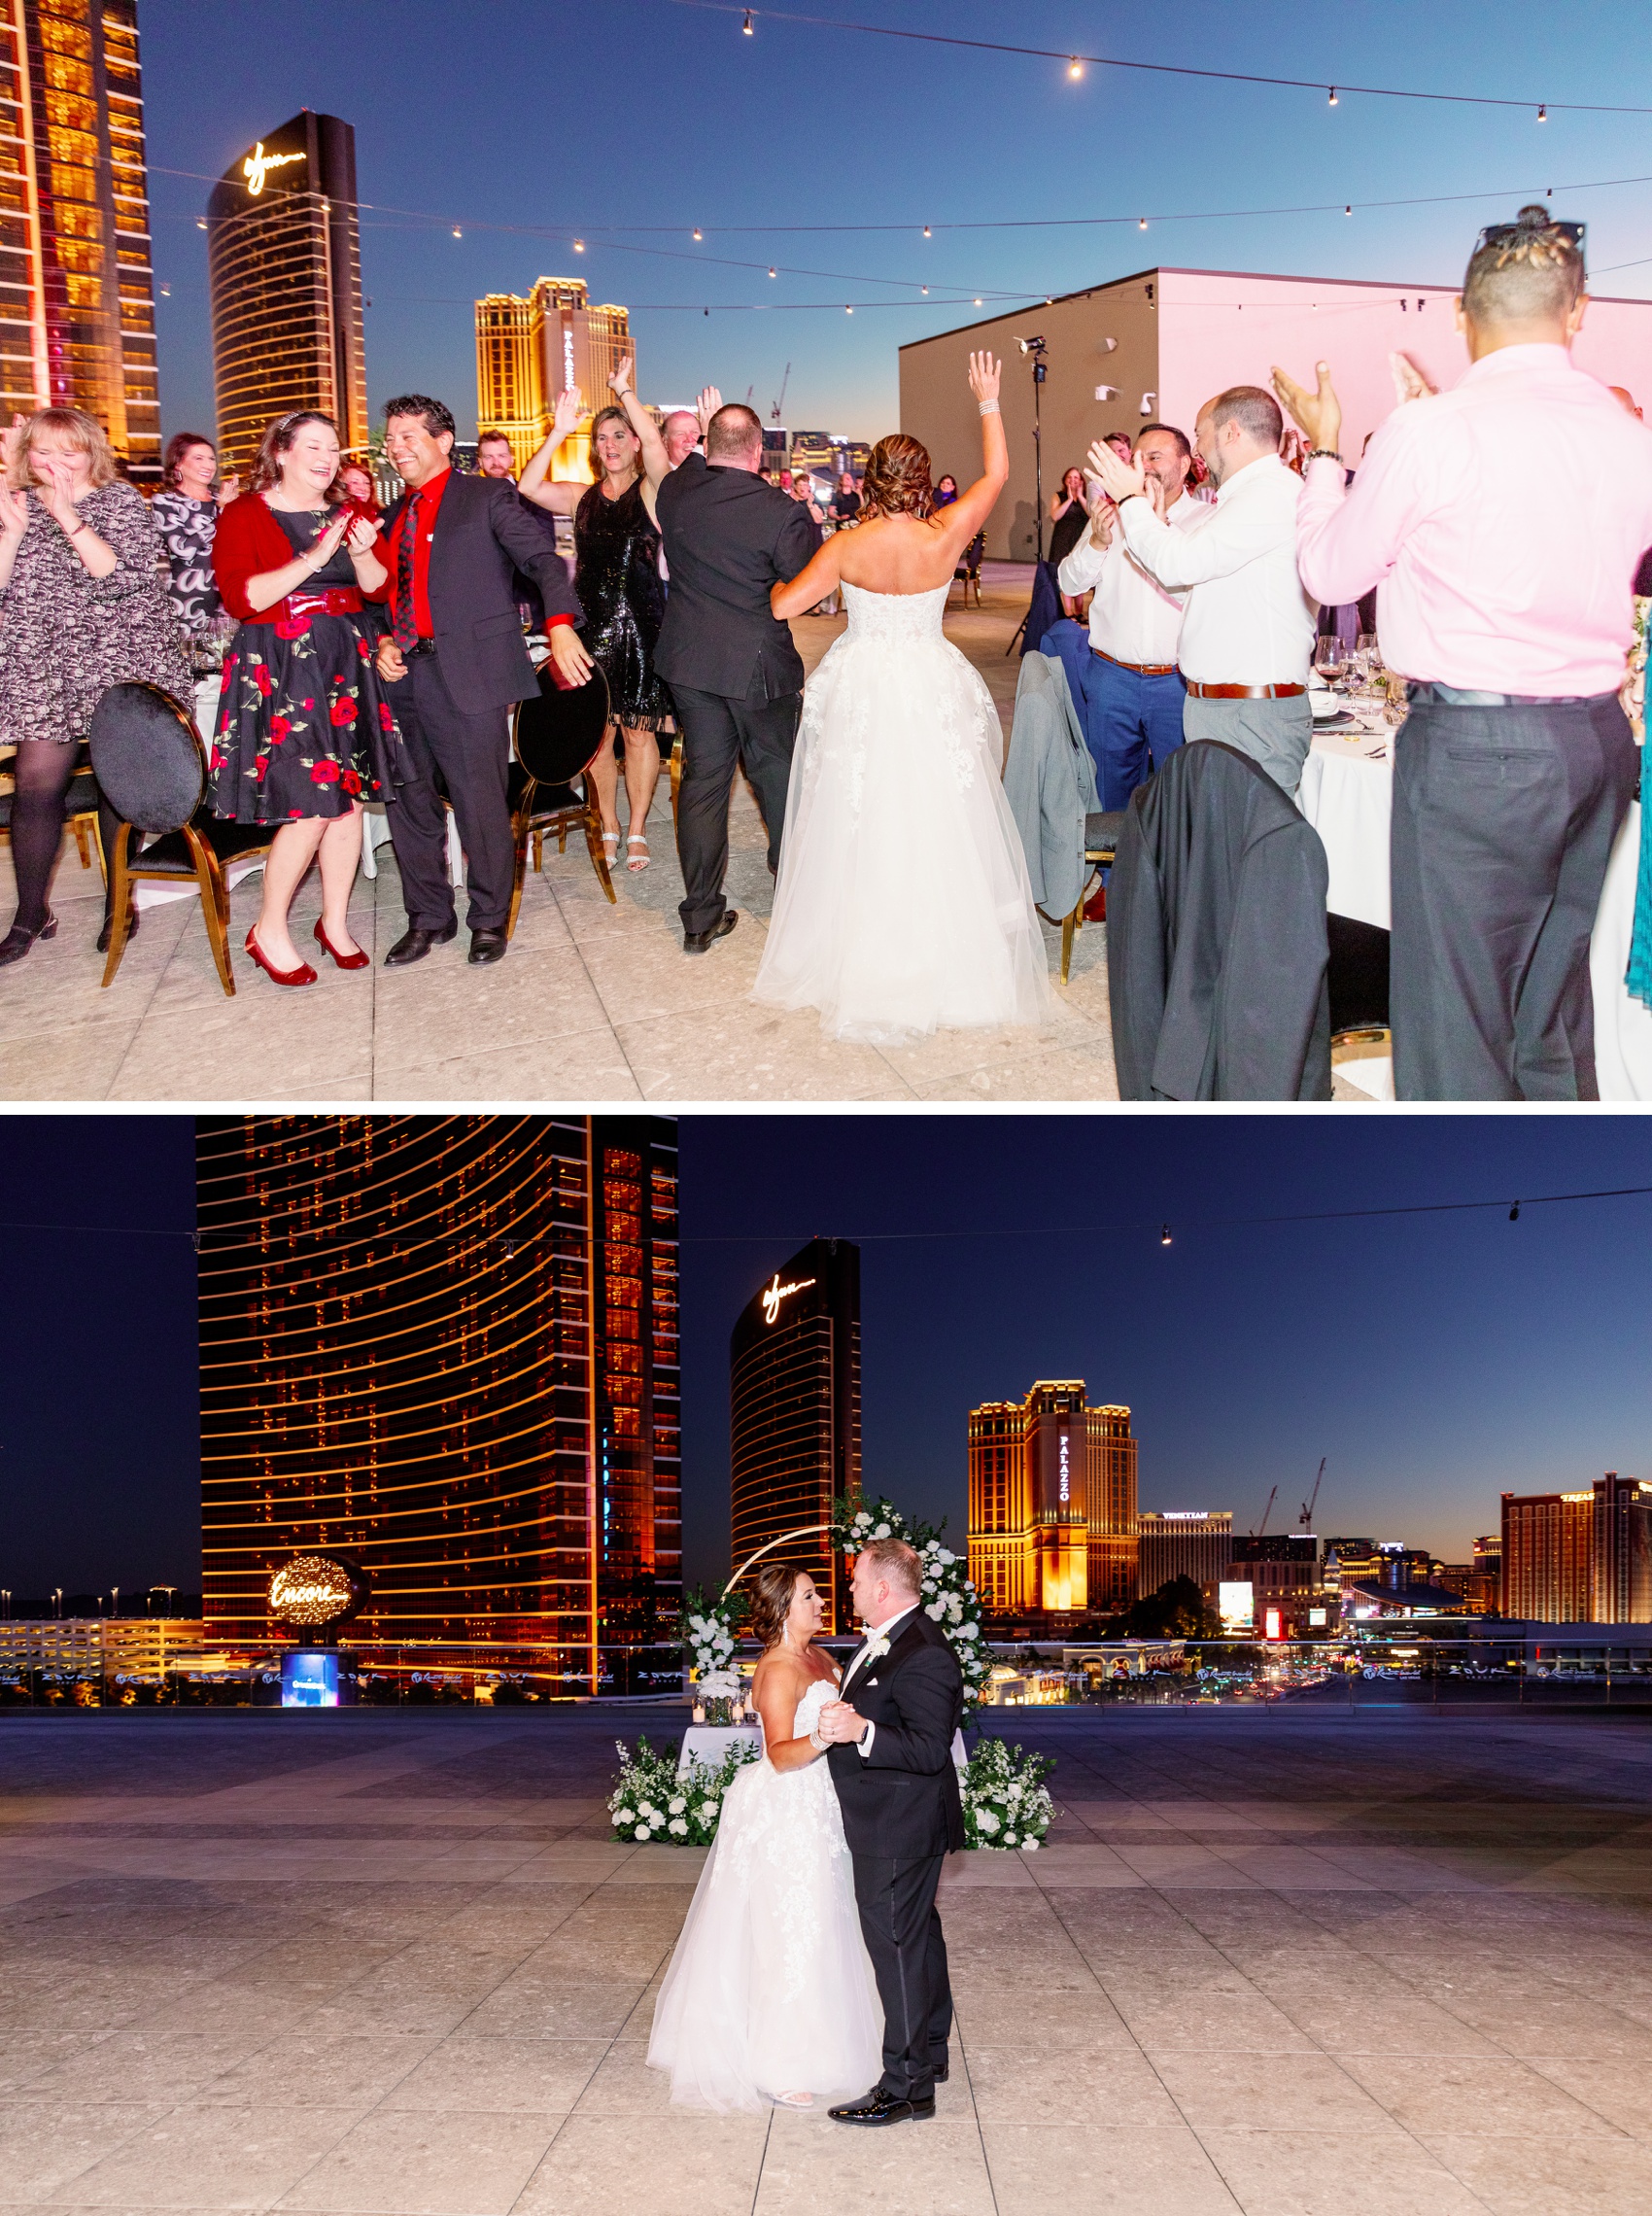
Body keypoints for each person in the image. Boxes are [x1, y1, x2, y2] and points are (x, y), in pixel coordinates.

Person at [1275, 203, 1652, 1101]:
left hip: (1477, 756)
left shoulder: (1433, 430)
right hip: (1599, 744)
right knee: (1553, 1014)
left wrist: (1327, 452)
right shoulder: (1627, 435)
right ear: (1579, 309)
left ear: (1458, 312)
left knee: (1456, 1024)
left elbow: (1331, 573)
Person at [752, 353, 1051, 1042]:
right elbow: (999, 474)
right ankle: (946, 957)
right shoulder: (945, 534)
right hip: (927, 675)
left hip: (862, 679)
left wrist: (772, 586)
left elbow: (784, 607)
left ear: (868, 482)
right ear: (920, 484)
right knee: (937, 811)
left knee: (858, 815)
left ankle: (856, 954)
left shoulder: (847, 545)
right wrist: (987, 400)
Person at [646, 1563, 881, 2112]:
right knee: (788, 1929)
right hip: (788, 1808)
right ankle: (779, 2060)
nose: (821, 1602)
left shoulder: (822, 1657)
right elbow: (779, 1754)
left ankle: (828, 2040)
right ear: (781, 1609)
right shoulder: (776, 1669)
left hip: (826, 1803)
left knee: (829, 1922)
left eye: (818, 1594)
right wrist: (824, 1738)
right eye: (808, 1596)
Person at [373, 393, 588, 967]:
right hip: (403, 678)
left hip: (469, 674)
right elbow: (381, 598)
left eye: (408, 437)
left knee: (480, 804)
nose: (395, 448)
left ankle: (490, 919)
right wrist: (385, 640)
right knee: (408, 802)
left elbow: (544, 561)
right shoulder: (391, 517)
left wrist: (561, 624)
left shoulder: (488, 496)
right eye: (390, 439)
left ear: (443, 442)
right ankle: (428, 918)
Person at [209, 411, 396, 987]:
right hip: (282, 663)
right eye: (313, 446)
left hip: (345, 658)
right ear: (282, 452)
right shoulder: (244, 512)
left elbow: (378, 590)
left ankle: (334, 923)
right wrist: (314, 558)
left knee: (348, 801)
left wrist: (363, 552)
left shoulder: (353, 514)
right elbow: (243, 597)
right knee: (311, 804)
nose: (326, 457)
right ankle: (268, 928)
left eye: (334, 449)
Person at [0, 406, 189, 963]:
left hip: (112, 657)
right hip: (44, 661)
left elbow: (121, 577)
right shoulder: (15, 499)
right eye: (42, 450)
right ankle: (31, 912)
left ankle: (118, 903)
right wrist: (11, 536)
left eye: (68, 451)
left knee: (114, 784)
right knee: (35, 785)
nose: (54, 462)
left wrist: (65, 516)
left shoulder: (120, 501)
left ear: (91, 452)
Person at [652, 394, 820, 952]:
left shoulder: (676, 492)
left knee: (703, 786)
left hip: (691, 664)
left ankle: (700, 919)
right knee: (777, 783)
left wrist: (703, 429)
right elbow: (802, 591)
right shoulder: (781, 511)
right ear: (759, 450)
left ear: (706, 443)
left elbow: (692, 462)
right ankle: (797, 900)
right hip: (757, 669)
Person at [1086, 387, 1316, 795]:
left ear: (1230, 433)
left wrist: (1129, 499)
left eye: (1200, 434)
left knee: (1246, 850)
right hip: (1232, 712)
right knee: (1220, 849)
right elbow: (1194, 592)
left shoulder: (1268, 495)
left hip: (1250, 715)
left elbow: (1180, 564)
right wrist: (1154, 529)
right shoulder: (1249, 496)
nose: (1198, 449)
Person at [815, 1536, 965, 2128]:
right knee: (918, 1937)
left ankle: (906, 2087)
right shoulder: (890, 1642)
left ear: (881, 1587)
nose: (847, 1588)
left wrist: (861, 1733)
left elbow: (931, 1749)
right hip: (891, 1818)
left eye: (854, 1579)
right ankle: (928, 2052)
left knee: (897, 1949)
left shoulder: (924, 1650)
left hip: (898, 1823)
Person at [521, 362, 673, 872]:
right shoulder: (579, 497)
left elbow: (656, 447)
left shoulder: (652, 490)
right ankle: (607, 819)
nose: (608, 445)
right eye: (600, 437)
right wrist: (558, 431)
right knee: (598, 735)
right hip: (590, 630)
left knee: (638, 732)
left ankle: (636, 829)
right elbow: (527, 485)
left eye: (618, 436)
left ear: (632, 442)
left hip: (643, 629)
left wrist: (625, 391)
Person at [1056, 425, 1196, 808]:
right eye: (1138, 458)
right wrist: (1098, 543)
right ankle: (1115, 870)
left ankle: (1171, 868)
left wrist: (1160, 527)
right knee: (1111, 793)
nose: (1144, 467)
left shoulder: (1203, 521)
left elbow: (1192, 592)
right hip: (1111, 679)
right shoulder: (1109, 518)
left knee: (1178, 793)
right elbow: (1068, 582)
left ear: (1184, 464)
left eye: (1155, 457)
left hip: (1178, 684)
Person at [152, 432, 237, 641]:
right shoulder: (166, 502)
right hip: (187, 600)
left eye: (211, 459)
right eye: (198, 458)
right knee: (193, 666)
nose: (208, 465)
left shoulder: (224, 499)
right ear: (178, 464)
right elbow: (183, 549)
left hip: (227, 597)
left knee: (227, 666)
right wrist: (220, 511)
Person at [1048, 465, 1089, 573]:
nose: (1072, 480)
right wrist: (1069, 499)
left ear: (1081, 481)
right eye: (1069, 477)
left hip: (1080, 536)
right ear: (1065, 481)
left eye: (1076, 477)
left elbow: (1091, 514)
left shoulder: (1086, 497)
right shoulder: (1058, 496)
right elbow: (1055, 516)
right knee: (1061, 570)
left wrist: (1080, 496)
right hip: (1063, 538)